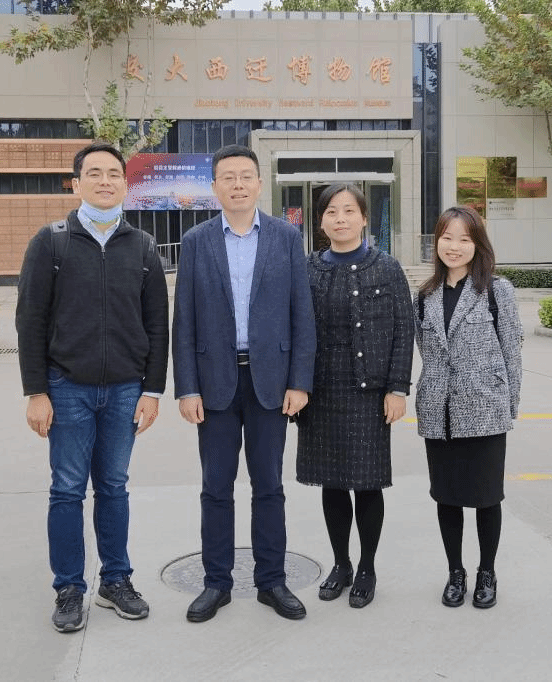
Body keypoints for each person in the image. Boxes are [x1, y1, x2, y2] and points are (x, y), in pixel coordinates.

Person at [15, 141, 169, 633]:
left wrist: (152, 390)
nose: (105, 181)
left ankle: (115, 580)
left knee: (114, 487)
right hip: (67, 388)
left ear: (126, 184)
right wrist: (36, 391)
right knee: (66, 489)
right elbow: (30, 319)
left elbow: (157, 324)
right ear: (75, 184)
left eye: (114, 174)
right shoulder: (51, 242)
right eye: (95, 173)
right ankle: (69, 588)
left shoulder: (142, 246)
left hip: (125, 390)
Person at [172, 144, 316, 622]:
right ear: (214, 187)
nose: (237, 184)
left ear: (259, 183)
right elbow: (184, 320)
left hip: (270, 381)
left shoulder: (285, 237)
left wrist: (299, 381)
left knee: (269, 485)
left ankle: (272, 582)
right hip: (214, 382)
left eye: (245, 176)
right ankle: (216, 584)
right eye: (228, 177)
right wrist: (187, 387)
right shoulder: (195, 241)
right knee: (216, 487)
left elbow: (302, 314)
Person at [295, 184, 414, 609]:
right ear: (321, 220)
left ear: (364, 218)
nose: (340, 218)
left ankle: (367, 567)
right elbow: (295, 329)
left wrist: (397, 388)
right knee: (331, 482)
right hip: (321, 390)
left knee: (366, 483)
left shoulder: (387, 268)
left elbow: (404, 330)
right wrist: (296, 385)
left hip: (369, 391)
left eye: (349, 211)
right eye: (331, 211)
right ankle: (341, 563)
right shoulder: (308, 268)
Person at [414, 205, 522, 610]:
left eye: (464, 239)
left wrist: (508, 405)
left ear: (478, 244)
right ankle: (455, 572)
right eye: (447, 238)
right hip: (439, 411)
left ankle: (487, 572)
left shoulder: (496, 290)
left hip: (485, 409)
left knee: (487, 497)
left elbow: (512, 352)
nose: (454, 247)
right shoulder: (425, 295)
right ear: (437, 242)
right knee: (447, 497)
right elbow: (427, 352)